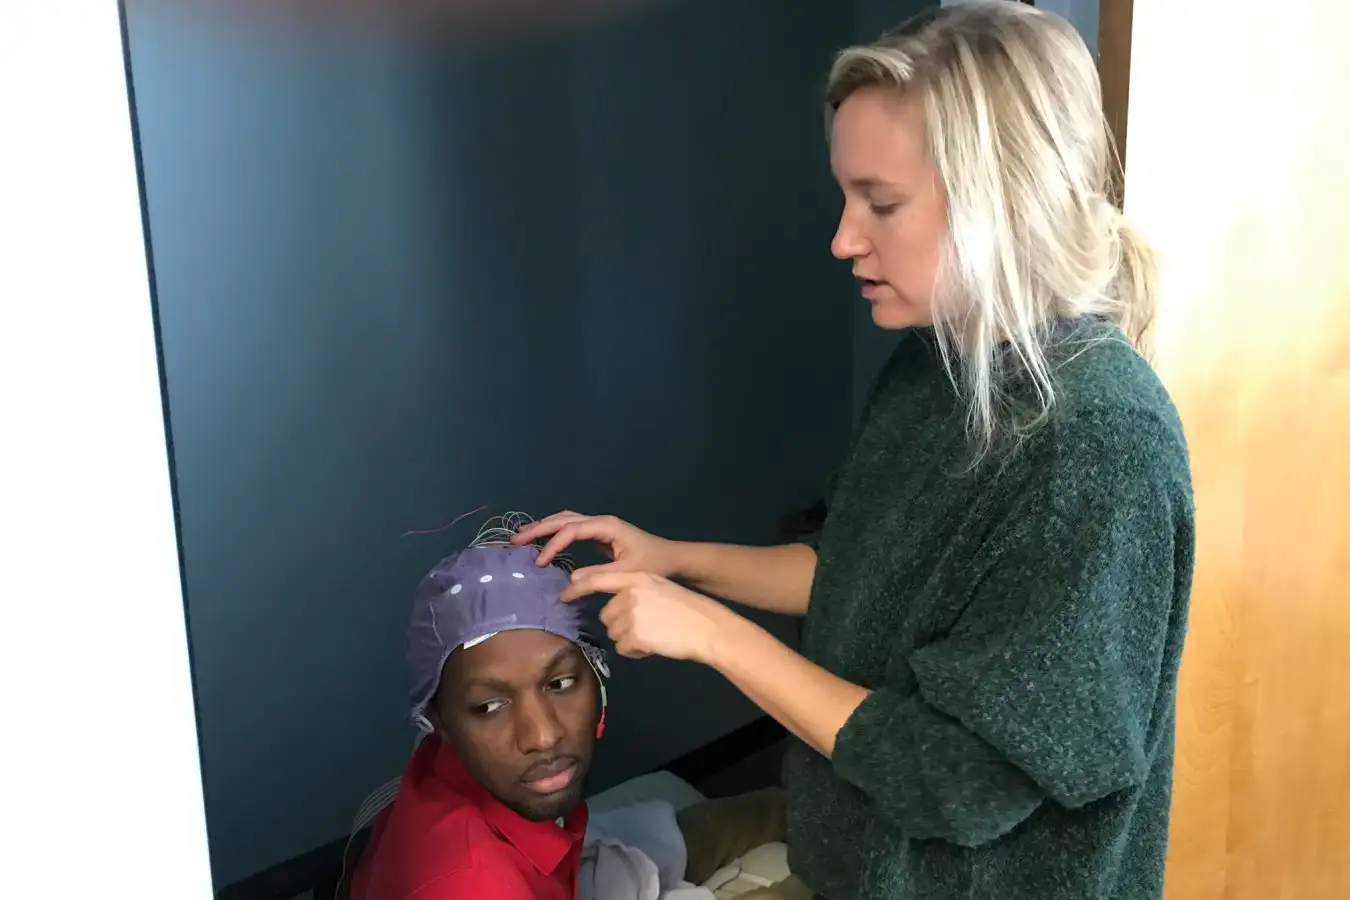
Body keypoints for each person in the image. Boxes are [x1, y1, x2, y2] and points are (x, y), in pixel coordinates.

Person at [512, 3, 1196, 900]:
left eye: (881, 203)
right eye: (846, 197)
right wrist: (678, 563)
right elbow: (860, 573)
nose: (843, 237)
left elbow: (961, 778)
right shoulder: (936, 364)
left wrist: (714, 638)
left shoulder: (1097, 451)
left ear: (1005, 197)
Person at [349, 524, 791, 900]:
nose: (542, 736)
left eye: (559, 683)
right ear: (438, 721)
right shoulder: (474, 882)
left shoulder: (470, 777)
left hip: (560, 871)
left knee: (770, 817)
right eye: (489, 706)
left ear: (595, 675)